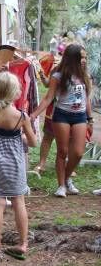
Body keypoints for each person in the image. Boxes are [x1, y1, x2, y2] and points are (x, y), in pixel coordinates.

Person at [0, 72, 36, 260]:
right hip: (14, 165)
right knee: (18, 201)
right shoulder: (21, 116)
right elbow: (33, 142)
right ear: (15, 93)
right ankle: (23, 243)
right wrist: (20, 136)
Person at [31, 44, 92, 197]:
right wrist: (34, 114)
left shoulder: (84, 75)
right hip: (62, 115)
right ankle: (61, 186)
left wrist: (90, 118)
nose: (84, 60)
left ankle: (66, 179)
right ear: (72, 59)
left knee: (77, 153)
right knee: (62, 151)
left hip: (80, 116)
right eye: (81, 57)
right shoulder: (58, 76)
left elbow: (87, 98)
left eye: (85, 57)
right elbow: (48, 98)